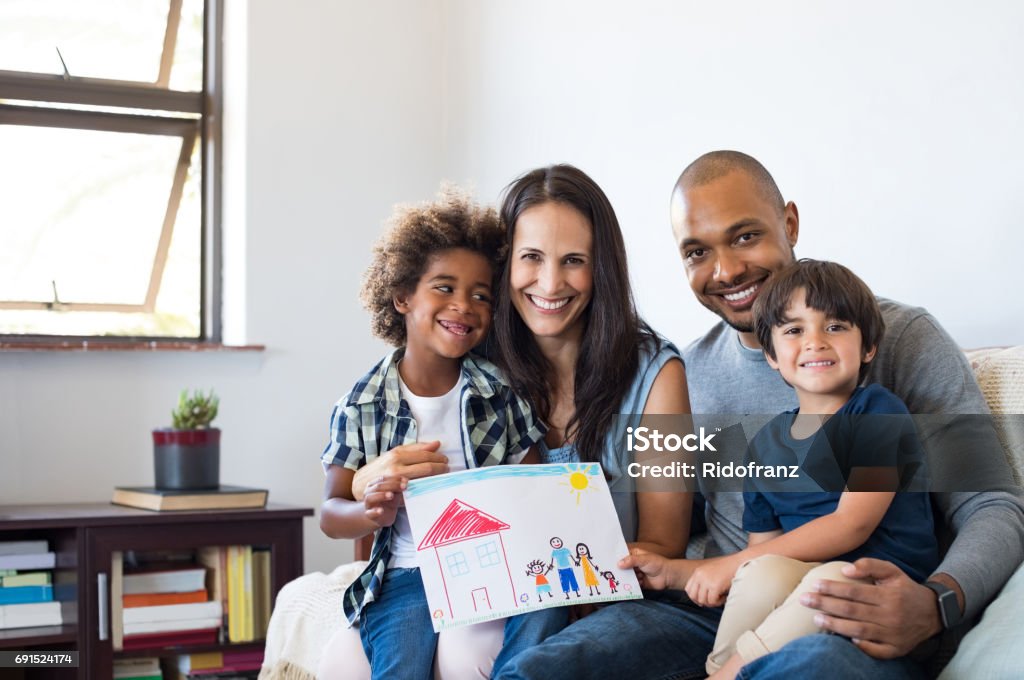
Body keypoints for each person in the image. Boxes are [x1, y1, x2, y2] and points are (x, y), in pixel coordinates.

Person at [497, 151, 1024, 680]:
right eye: (698, 251)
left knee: (810, 667)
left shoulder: (897, 339)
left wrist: (936, 603)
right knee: (546, 667)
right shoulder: (686, 373)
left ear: (789, 223)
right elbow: (704, 522)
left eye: (745, 236)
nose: (726, 270)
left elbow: (994, 506)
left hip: (849, 620)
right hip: (718, 613)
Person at [353, 164, 693, 675]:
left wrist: (569, 584)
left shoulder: (657, 375)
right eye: (531, 257)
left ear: (601, 269)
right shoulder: (472, 360)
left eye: (574, 260)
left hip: (597, 598)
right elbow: (388, 449)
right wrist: (365, 479)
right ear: (504, 262)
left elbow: (665, 545)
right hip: (479, 592)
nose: (550, 283)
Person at [317, 187, 561, 680]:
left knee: (547, 607)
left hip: (495, 567)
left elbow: (539, 490)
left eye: (480, 295)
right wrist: (368, 511)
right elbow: (329, 512)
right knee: (401, 666)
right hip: (407, 575)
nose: (464, 306)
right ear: (403, 295)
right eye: (444, 288)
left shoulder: (500, 394)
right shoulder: (362, 403)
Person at [689, 259, 937, 679]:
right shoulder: (765, 444)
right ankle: (719, 669)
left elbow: (850, 525)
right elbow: (761, 549)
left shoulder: (878, 413)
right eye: (794, 330)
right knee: (761, 571)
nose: (815, 342)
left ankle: (729, 674)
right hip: (804, 596)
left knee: (830, 577)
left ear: (868, 348)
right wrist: (742, 565)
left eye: (836, 327)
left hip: (876, 588)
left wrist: (731, 563)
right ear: (770, 354)